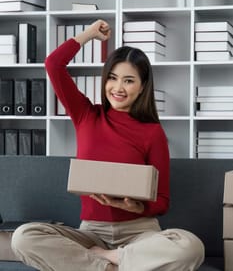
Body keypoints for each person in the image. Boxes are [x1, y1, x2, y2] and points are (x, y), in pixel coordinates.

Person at [11, 20, 204, 271]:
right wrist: (89, 34)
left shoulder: (152, 132)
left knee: (190, 246)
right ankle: (110, 265)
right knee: (23, 237)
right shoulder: (86, 115)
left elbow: (163, 200)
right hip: (92, 233)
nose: (118, 88)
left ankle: (112, 257)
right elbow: (53, 65)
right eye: (112, 78)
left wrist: (136, 205)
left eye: (129, 80)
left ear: (143, 86)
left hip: (139, 234)